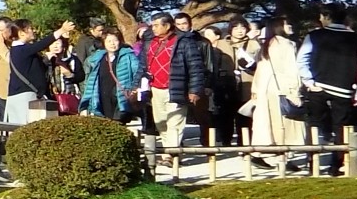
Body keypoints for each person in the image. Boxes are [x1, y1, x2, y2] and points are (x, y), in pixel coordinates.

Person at [299, 5, 357, 175]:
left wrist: (308, 81)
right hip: (344, 88)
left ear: (326, 16)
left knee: (315, 125)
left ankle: (313, 162)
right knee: (341, 127)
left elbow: (302, 59)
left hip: (318, 86)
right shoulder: (356, 39)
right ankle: (336, 165)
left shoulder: (315, 36)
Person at [141, 11, 207, 165]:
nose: (154, 28)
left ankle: (170, 155)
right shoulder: (150, 42)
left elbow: (196, 67)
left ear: (168, 25)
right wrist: (138, 85)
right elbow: (142, 66)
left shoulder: (184, 41)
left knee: (175, 122)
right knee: (161, 122)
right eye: (153, 25)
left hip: (176, 87)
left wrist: (194, 90)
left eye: (157, 25)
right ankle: (168, 152)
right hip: (155, 88)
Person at [248, 18, 306, 164]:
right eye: (286, 24)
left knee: (269, 123)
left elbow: (260, 69)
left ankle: (267, 154)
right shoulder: (287, 44)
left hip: (266, 89)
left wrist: (255, 89)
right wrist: (294, 91)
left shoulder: (268, 44)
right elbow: (292, 69)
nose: (290, 26)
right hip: (282, 88)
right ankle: (283, 157)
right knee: (284, 123)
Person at [3, 19, 73, 123]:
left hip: (20, 95)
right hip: (24, 96)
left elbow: (35, 70)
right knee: (25, 128)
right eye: (30, 28)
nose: (33, 30)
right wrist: (61, 30)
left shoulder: (19, 51)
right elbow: (42, 44)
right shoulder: (21, 49)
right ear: (21, 33)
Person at [81, 28, 143, 123]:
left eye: (115, 40)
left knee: (119, 122)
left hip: (121, 97)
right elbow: (90, 80)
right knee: (104, 123)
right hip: (102, 96)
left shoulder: (128, 56)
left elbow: (138, 73)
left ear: (120, 41)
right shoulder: (97, 58)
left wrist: (135, 89)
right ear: (104, 42)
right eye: (109, 41)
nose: (112, 44)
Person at [201, 25, 240, 147]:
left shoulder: (223, 53)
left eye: (209, 35)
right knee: (206, 114)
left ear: (217, 36)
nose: (206, 37)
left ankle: (225, 139)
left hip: (223, 86)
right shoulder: (201, 50)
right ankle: (207, 140)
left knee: (224, 113)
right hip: (206, 85)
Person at [46, 34, 83, 114]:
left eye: (58, 43)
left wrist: (69, 74)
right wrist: (46, 61)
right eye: (52, 43)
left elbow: (81, 76)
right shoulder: (45, 60)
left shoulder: (73, 59)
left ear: (63, 45)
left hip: (70, 97)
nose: (55, 46)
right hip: (51, 98)